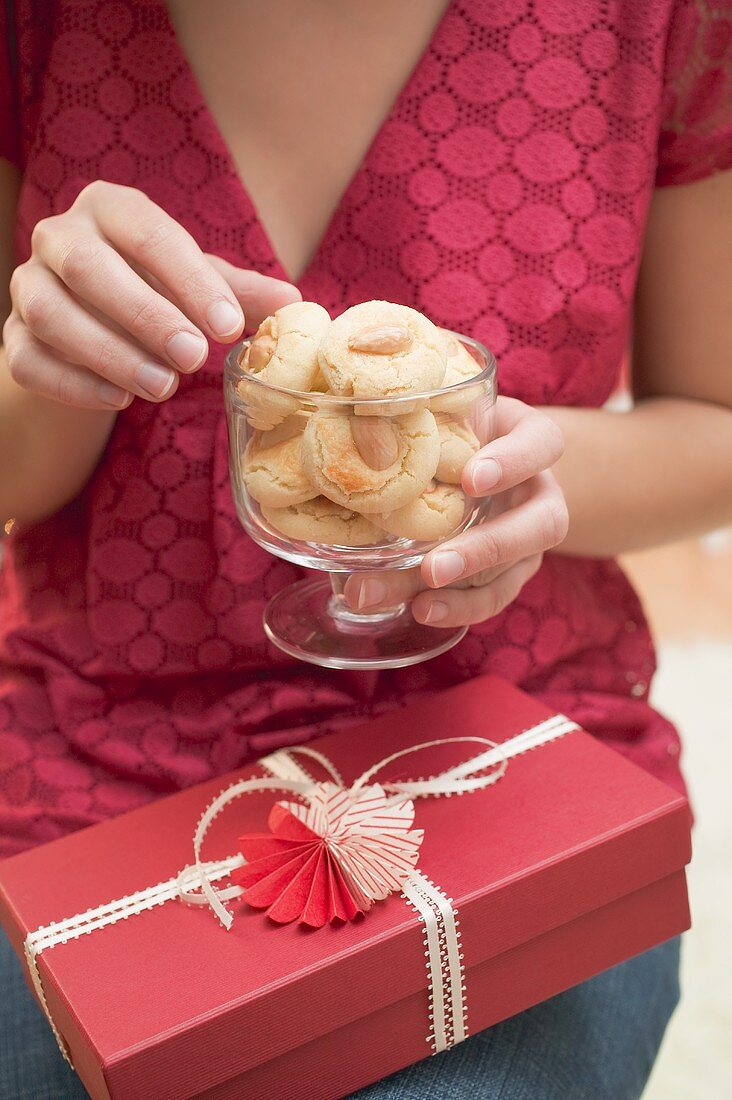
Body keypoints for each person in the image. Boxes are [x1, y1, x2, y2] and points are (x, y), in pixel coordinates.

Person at [0, 1, 730, 1097]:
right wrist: (48, 357)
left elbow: (717, 424)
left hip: (502, 744)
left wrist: (524, 477)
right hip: (93, 753)